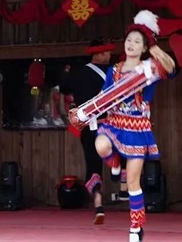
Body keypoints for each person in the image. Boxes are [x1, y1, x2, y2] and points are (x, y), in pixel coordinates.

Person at [93, 11, 176, 242]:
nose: (131, 44)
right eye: (129, 40)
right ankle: (114, 163)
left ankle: (136, 228)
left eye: (137, 41)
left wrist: (155, 49)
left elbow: (171, 69)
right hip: (115, 123)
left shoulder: (150, 69)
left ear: (144, 47)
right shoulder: (114, 70)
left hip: (137, 128)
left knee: (132, 183)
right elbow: (104, 95)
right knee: (101, 145)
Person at [58, 38, 115, 224]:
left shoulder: (79, 74)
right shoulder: (114, 72)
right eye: (107, 52)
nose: (110, 55)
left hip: (89, 128)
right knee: (128, 151)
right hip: (112, 126)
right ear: (99, 53)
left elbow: (64, 87)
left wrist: (66, 71)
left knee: (93, 164)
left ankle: (98, 205)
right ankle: (121, 179)